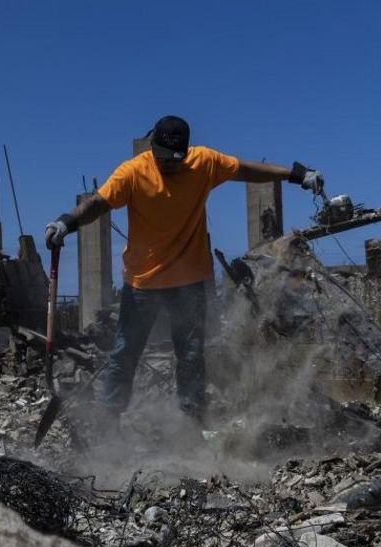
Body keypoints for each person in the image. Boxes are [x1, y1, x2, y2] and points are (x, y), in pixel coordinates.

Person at [44, 115, 322, 425]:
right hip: (142, 285)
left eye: (176, 160)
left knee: (191, 356)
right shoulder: (133, 173)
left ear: (186, 152)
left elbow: (246, 169)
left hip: (189, 283)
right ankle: (109, 419)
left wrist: (296, 174)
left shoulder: (202, 162)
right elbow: (99, 202)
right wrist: (65, 223)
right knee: (125, 353)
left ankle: (193, 421)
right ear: (153, 147)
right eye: (163, 159)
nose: (170, 166)